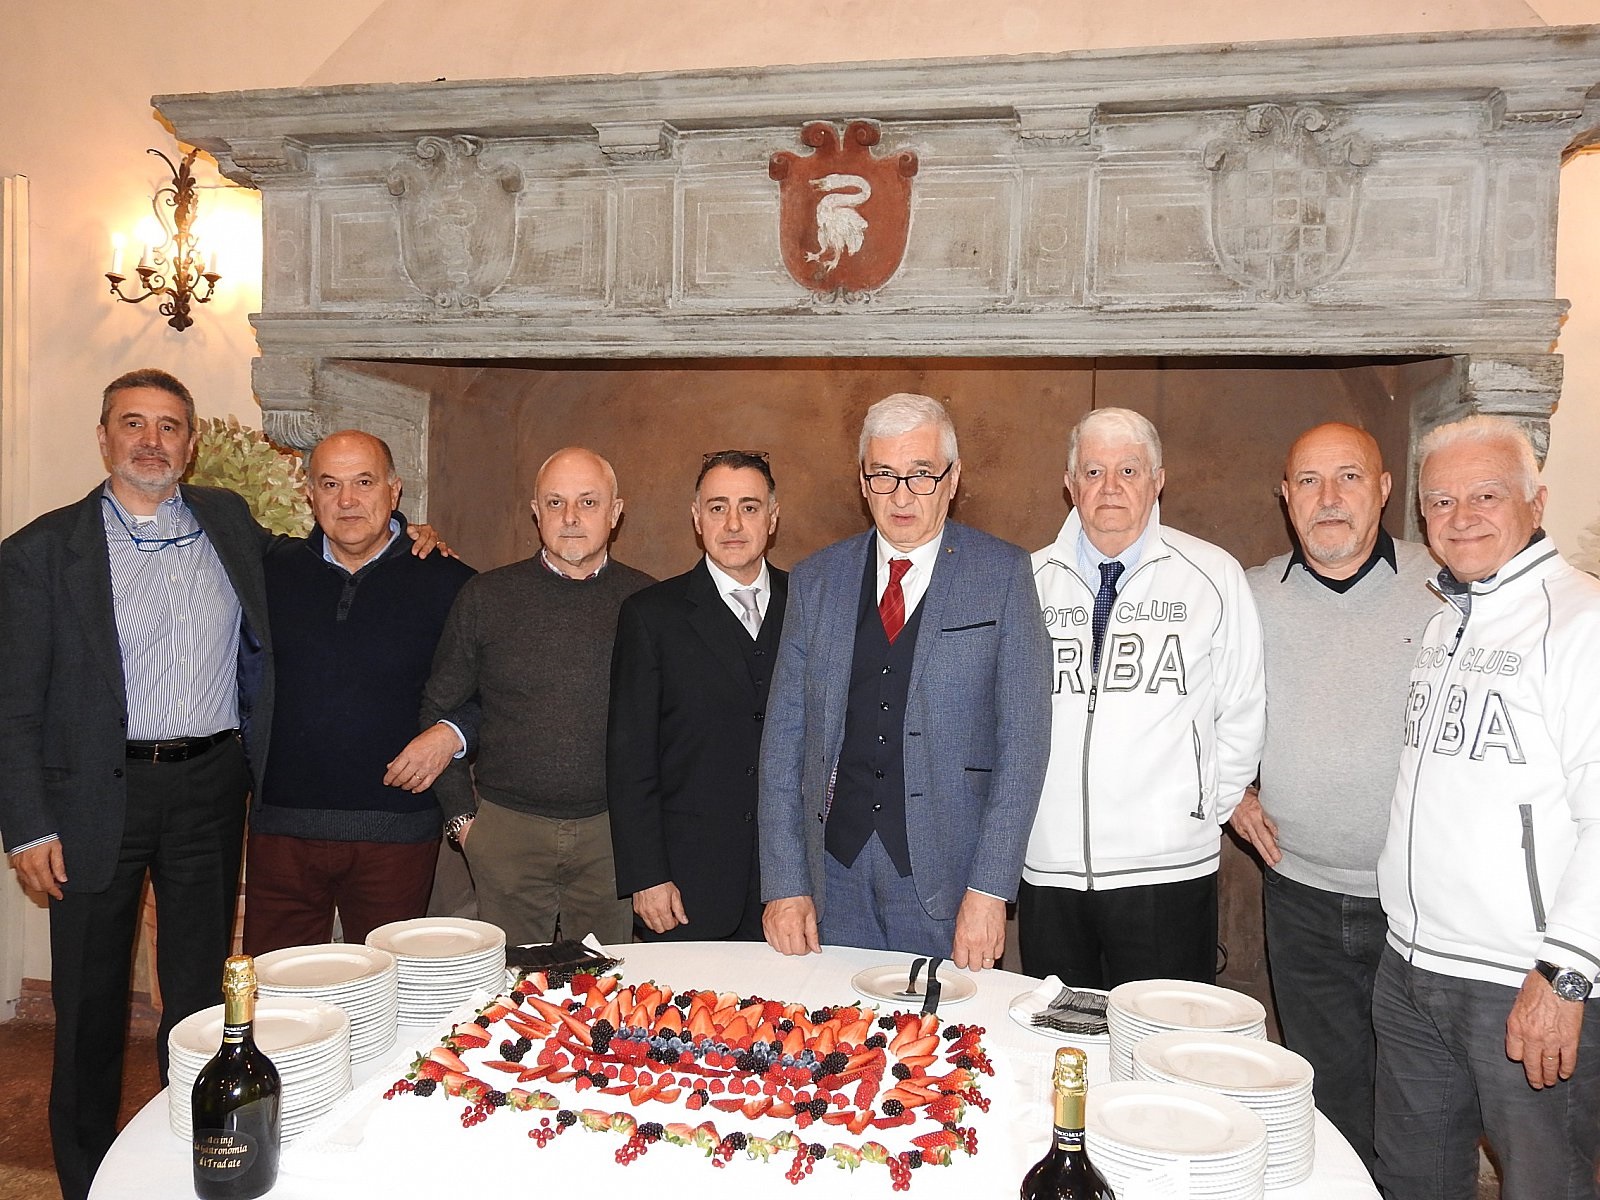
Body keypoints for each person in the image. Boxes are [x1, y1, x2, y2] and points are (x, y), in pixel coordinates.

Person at [0, 370, 272, 1200]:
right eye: (133, 424)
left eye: (169, 426)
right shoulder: (41, 552)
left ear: (191, 444)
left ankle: (190, 1162)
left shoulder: (229, 520)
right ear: (104, 437)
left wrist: (406, 530)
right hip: (94, 796)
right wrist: (27, 825)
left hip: (211, 789)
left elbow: (318, 560)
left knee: (197, 1005)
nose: (151, 442)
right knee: (89, 1004)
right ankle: (87, 1180)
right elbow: (12, 703)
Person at [1374, 414, 1600, 1200]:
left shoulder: (1581, 623)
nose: (1461, 516)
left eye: (1485, 495)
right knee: (1415, 1181)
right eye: (1441, 501)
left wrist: (1565, 973)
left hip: (1521, 978)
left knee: (1545, 1185)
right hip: (1411, 966)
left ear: (1536, 501)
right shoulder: (1445, 622)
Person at [759, 393, 1051, 970]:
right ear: (862, 481)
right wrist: (785, 882)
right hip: (832, 879)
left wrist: (990, 891)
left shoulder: (1002, 575)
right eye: (884, 475)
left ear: (952, 479)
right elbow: (784, 742)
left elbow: (1024, 745)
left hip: (948, 884)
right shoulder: (817, 581)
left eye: (921, 475)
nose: (900, 496)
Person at [1228, 422, 1438, 1175]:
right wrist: (1231, 793)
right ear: (1285, 497)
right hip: (1301, 899)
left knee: (1423, 1111)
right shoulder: (1248, 595)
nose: (1329, 499)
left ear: (1384, 489)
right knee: (1331, 1102)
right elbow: (1194, 706)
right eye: (1309, 481)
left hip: (1419, 906)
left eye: (1349, 477)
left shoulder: (1447, 586)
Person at [1023, 407, 1265, 989]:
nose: (1110, 487)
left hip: (1167, 870)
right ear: (1070, 483)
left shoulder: (1211, 575)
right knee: (1062, 1032)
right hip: (1050, 869)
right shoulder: (1028, 580)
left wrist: (1201, 811)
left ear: (1158, 481)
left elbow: (1242, 708)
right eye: (1094, 471)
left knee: (1163, 1035)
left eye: (1129, 470)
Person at [242, 430, 477, 955]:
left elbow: (495, 687)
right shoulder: (268, 574)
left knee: (387, 985)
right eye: (330, 484)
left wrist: (450, 733)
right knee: (278, 985)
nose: (347, 500)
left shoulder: (451, 582)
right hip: (282, 829)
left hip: (397, 829)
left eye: (364, 482)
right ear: (310, 494)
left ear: (394, 491)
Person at [422, 447, 652, 947]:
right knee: (511, 982)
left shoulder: (648, 603)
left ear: (615, 512)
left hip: (612, 836)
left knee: (605, 979)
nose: (570, 517)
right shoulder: (486, 597)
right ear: (536, 512)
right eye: (555, 502)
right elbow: (439, 709)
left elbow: (669, 730)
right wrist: (463, 822)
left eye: (588, 502)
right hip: (507, 833)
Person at [607, 450, 786, 941]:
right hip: (686, 883)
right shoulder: (651, 615)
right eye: (717, 507)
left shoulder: (808, 606)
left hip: (787, 884)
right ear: (696, 518)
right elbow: (630, 759)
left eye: (749, 507)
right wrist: (646, 875)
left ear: (772, 518)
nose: (733, 523)